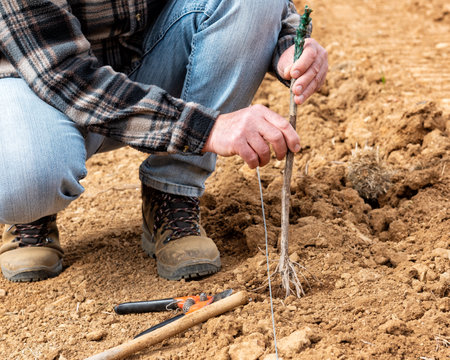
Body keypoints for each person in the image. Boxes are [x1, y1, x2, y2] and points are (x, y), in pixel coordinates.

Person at [0, 0, 328, 282]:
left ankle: (172, 192)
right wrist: (207, 129)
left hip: (148, 59)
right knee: (27, 181)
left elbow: (271, 10)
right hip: (40, 84)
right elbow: (64, 74)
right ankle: (32, 216)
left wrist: (287, 46)